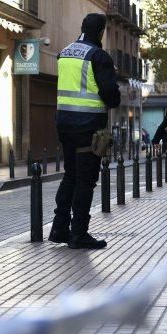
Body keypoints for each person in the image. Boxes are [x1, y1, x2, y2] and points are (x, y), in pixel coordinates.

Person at [47, 13, 120, 249]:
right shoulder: (98, 56)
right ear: (101, 33)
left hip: (64, 124)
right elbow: (111, 96)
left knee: (70, 176)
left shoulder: (65, 52)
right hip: (88, 127)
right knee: (85, 181)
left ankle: (59, 228)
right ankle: (78, 233)